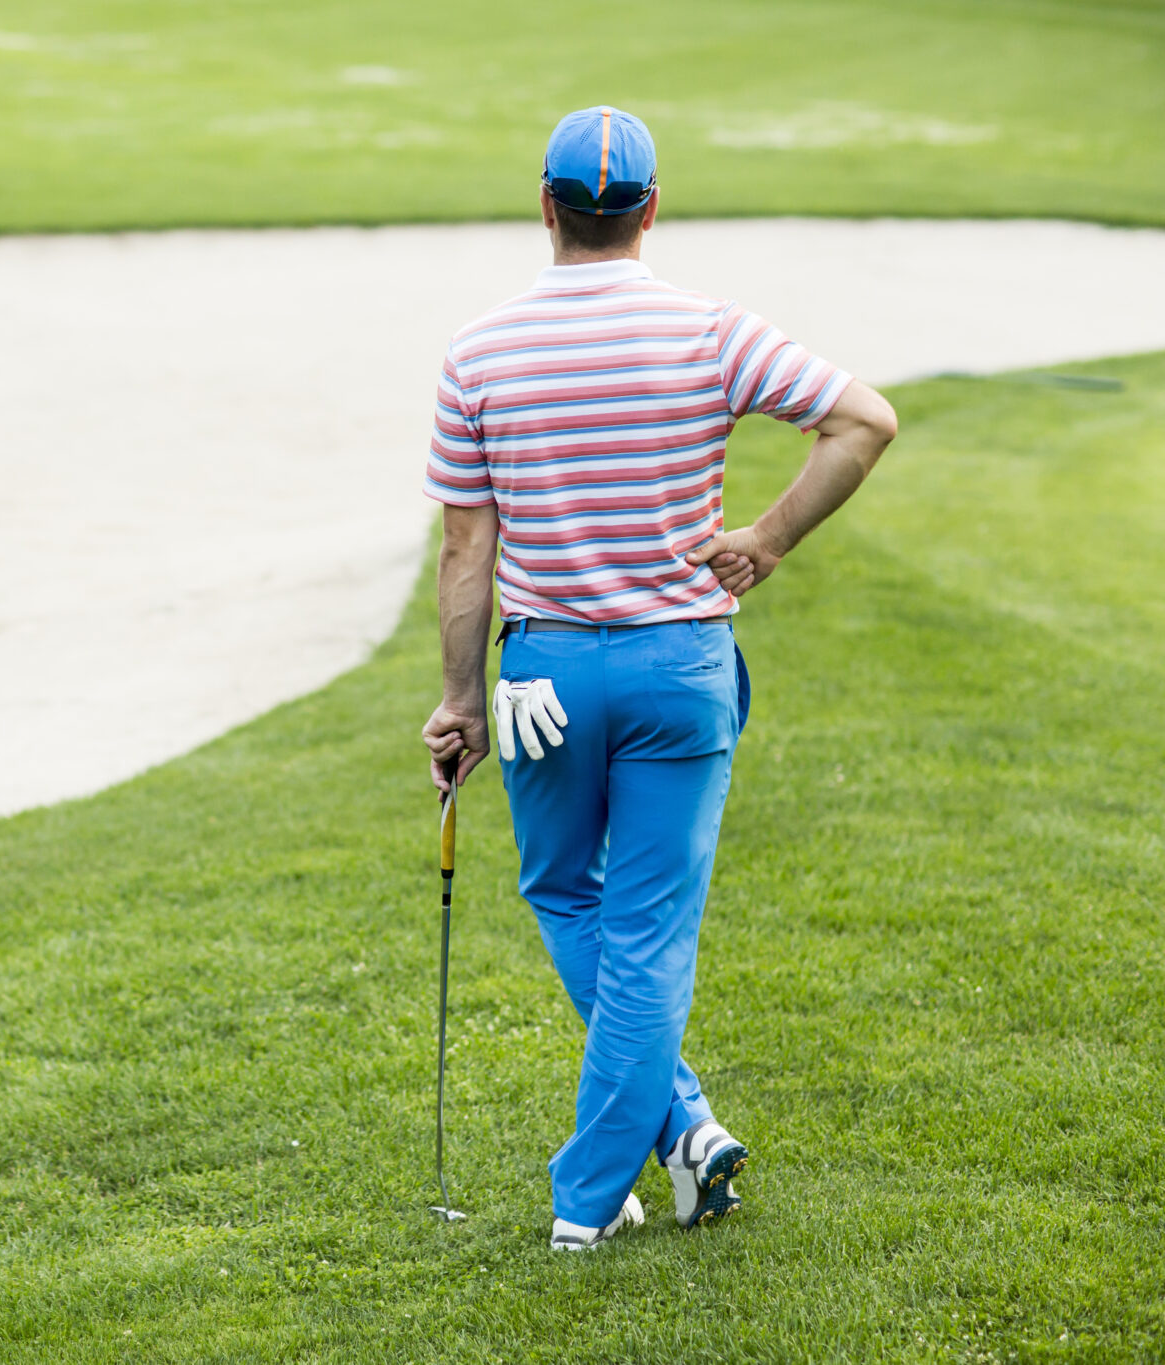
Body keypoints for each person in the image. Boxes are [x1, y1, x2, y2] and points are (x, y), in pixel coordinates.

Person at [419, 106, 898, 1250]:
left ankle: (600, 1186)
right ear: (647, 211)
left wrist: (453, 701)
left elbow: (464, 552)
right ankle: (659, 1146)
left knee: (565, 897)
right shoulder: (708, 332)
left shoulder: (477, 352)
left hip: (539, 677)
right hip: (678, 665)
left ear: (543, 207)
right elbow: (860, 421)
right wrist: (766, 540)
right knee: (641, 928)